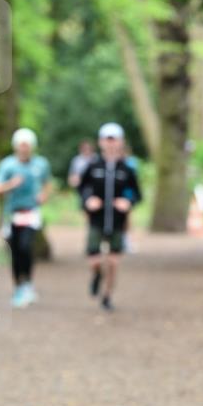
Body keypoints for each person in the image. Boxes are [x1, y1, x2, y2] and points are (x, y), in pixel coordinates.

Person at [78, 122, 142, 311]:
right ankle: (97, 275)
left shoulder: (127, 169)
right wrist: (88, 200)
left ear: (121, 142)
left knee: (113, 262)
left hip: (117, 222)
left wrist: (128, 201)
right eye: (108, 140)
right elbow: (82, 188)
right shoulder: (93, 166)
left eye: (114, 140)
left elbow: (136, 193)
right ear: (101, 142)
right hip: (96, 221)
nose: (111, 144)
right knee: (95, 260)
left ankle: (107, 296)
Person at [0, 128, 52, 308]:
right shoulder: (7, 165)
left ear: (32, 146)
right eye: (21, 145)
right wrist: (10, 184)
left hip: (31, 213)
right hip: (12, 214)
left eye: (27, 145)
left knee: (26, 247)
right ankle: (18, 286)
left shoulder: (41, 164)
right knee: (15, 251)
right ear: (16, 146)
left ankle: (28, 284)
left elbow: (48, 183)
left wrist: (44, 195)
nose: (24, 149)